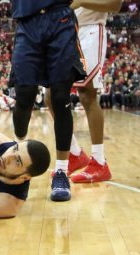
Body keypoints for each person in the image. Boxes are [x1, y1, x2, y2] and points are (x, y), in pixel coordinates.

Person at [10, 1, 87, 202]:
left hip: (60, 17)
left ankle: (61, 172)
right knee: (24, 95)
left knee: (61, 96)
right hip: (27, 21)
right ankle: (18, 155)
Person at [44, 0, 120, 184]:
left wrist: (80, 2)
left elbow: (115, 5)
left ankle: (99, 162)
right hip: (64, 32)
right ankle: (75, 153)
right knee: (52, 97)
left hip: (90, 30)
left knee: (87, 95)